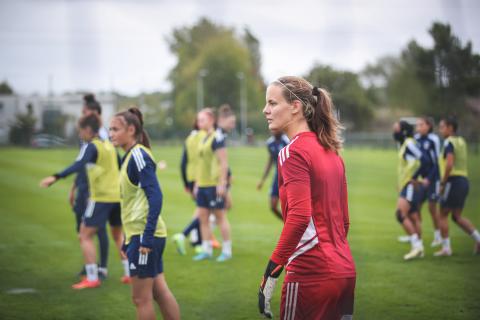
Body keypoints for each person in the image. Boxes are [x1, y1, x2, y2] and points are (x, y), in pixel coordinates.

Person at [258, 76, 356, 320]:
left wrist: (271, 271)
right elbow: (344, 223)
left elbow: (300, 217)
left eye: (272, 103)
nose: (265, 110)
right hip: (345, 271)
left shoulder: (293, 152)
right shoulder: (333, 153)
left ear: (295, 107)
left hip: (310, 274)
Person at [40, 114, 127, 289]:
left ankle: (92, 277)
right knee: (118, 235)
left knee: (84, 235)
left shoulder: (92, 146)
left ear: (88, 130)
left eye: (80, 130)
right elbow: (121, 164)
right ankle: (130, 273)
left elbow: (78, 165)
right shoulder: (109, 145)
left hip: (101, 198)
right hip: (117, 197)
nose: (79, 134)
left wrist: (56, 176)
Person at [109, 108, 180, 320]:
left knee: (141, 299)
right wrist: (126, 238)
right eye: (109, 129)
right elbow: (132, 202)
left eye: (115, 128)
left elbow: (155, 196)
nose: (110, 133)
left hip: (145, 237)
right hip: (139, 236)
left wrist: (145, 238)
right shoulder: (130, 156)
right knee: (159, 292)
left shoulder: (138, 155)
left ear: (131, 130)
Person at [434, 116, 480, 256]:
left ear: (450, 128)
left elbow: (449, 164)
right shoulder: (461, 141)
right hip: (463, 181)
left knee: (442, 214)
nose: (440, 130)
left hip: (452, 181)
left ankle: (446, 248)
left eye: (442, 127)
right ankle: (478, 239)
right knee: (456, 216)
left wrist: (442, 183)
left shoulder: (449, 142)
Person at [192, 108, 232, 262]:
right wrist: (196, 183)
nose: (199, 123)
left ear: (211, 120)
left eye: (202, 120)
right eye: (198, 120)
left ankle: (227, 251)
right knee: (203, 219)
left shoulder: (217, 137)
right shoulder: (203, 138)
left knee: (220, 217)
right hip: (202, 185)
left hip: (213, 185)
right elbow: (200, 163)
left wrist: (222, 183)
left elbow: (223, 162)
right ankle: (206, 249)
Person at [392, 120, 432, 261]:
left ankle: (416, 246)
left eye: (396, 129)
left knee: (400, 214)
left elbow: (425, 160)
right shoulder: (406, 144)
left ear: (403, 131)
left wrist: (413, 178)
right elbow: (411, 163)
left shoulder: (409, 143)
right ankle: (419, 248)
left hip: (411, 185)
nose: (394, 132)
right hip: (407, 185)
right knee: (414, 216)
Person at [173, 118, 206, 255]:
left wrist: (186, 183)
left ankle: (197, 242)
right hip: (202, 178)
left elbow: (183, 162)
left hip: (191, 178)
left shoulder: (189, 138)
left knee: (201, 210)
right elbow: (204, 159)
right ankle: (184, 235)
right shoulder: (204, 136)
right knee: (205, 211)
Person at [414, 116, 442, 247]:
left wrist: (429, 179)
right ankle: (417, 235)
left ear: (429, 126)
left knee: (432, 208)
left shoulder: (434, 139)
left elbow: (437, 163)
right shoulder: (416, 139)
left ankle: (438, 236)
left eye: (421, 125)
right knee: (416, 207)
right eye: (417, 125)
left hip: (433, 178)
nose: (418, 127)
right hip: (421, 180)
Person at [257, 133, 290, 220]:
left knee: (291, 206)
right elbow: (270, 161)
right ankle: (288, 224)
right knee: (273, 205)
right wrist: (262, 180)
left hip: (290, 175)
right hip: (278, 176)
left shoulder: (287, 141)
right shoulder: (270, 143)